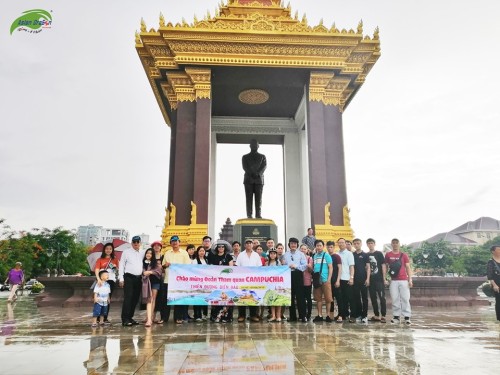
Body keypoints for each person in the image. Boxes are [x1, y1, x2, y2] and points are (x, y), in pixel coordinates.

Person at [162, 235, 191, 324]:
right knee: (165, 300)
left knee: (178, 300)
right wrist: (166, 265)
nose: (175, 243)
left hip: (179, 280)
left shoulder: (184, 253)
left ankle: (178, 318)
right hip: (168, 279)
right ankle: (164, 318)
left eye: (176, 241)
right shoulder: (167, 253)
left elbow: (187, 266)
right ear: (170, 243)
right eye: (173, 241)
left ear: (179, 242)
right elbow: (163, 265)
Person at [119, 235, 145, 326]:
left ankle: (130, 317)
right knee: (128, 298)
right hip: (129, 277)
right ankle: (125, 319)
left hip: (138, 278)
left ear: (140, 243)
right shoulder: (126, 252)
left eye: (138, 242)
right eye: (134, 242)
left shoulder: (143, 252)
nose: (136, 244)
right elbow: (121, 264)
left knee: (135, 299)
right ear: (132, 243)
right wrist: (121, 278)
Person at [385, 238, 413, 325]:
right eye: (393, 243)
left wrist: (410, 279)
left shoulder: (404, 255)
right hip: (393, 281)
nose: (395, 244)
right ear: (391, 244)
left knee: (405, 299)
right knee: (395, 299)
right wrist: (385, 278)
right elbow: (385, 267)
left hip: (403, 280)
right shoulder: (388, 255)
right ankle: (396, 317)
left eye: (396, 243)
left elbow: (408, 267)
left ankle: (407, 317)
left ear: (399, 244)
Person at [281, 237, 308, 323]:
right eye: (292, 243)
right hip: (288, 275)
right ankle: (292, 316)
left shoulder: (301, 254)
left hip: (298, 274)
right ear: (289, 245)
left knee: (300, 296)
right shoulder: (286, 254)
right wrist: (284, 265)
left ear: (297, 245)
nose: (293, 245)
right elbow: (282, 265)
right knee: (290, 296)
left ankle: (303, 316)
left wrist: (296, 266)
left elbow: (305, 266)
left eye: (295, 244)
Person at [236, 239, 262, 322]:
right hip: (242, 279)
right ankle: (241, 315)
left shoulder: (256, 255)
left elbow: (259, 267)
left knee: (253, 296)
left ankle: (253, 315)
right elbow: (237, 266)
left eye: (250, 243)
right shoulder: (241, 255)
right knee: (242, 297)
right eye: (247, 243)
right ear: (244, 245)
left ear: (252, 245)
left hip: (253, 279)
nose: (248, 245)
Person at [93, 243, 119, 324]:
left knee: (107, 299)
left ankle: (104, 318)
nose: (108, 250)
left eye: (110, 249)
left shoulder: (115, 259)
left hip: (110, 280)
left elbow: (117, 272)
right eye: (107, 248)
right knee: (98, 299)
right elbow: (97, 270)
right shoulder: (100, 259)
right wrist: (98, 279)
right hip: (101, 281)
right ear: (104, 250)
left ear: (112, 250)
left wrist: (114, 267)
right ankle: (97, 317)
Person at [208, 241, 234, 322]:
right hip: (216, 281)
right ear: (217, 248)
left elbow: (231, 269)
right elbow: (210, 268)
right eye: (219, 247)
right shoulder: (213, 256)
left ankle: (226, 317)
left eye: (222, 247)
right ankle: (215, 317)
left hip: (227, 281)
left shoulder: (228, 256)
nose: (221, 248)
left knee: (227, 297)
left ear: (225, 248)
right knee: (217, 297)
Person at [242, 139, 267, 218]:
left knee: (258, 199)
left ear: (258, 146)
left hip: (259, 180)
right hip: (248, 180)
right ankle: (249, 215)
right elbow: (245, 167)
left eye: (256, 145)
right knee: (248, 199)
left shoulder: (262, 156)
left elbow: (264, 166)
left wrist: (258, 173)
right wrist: (252, 173)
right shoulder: (245, 157)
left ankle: (258, 214)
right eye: (252, 145)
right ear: (250, 146)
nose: (254, 146)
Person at [312, 240, 333, 322]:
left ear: (323, 246)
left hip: (325, 279)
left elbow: (330, 267)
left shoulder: (326, 255)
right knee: (318, 299)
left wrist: (329, 279)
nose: (319, 247)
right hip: (317, 280)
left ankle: (328, 315)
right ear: (315, 247)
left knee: (328, 299)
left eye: (320, 245)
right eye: (317, 245)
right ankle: (320, 315)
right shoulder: (315, 256)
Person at [366, 238, 387, 323]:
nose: (370, 244)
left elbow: (383, 266)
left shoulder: (379, 254)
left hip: (379, 280)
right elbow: (366, 267)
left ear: (374, 244)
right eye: (369, 243)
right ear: (367, 245)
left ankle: (383, 315)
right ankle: (376, 315)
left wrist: (384, 278)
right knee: (373, 298)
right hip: (371, 280)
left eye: (371, 243)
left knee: (382, 298)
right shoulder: (366, 255)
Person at [141, 248, 162, 327]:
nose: (148, 254)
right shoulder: (142, 263)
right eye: (147, 253)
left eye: (150, 253)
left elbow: (159, 272)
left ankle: (150, 318)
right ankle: (149, 317)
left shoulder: (155, 263)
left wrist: (150, 272)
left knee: (152, 300)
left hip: (155, 282)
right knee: (149, 300)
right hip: (146, 283)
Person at [351, 238, 371, 323]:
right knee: (357, 298)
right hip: (355, 279)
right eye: (355, 244)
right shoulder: (352, 255)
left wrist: (368, 278)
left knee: (364, 298)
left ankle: (364, 315)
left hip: (363, 279)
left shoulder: (365, 255)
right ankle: (359, 314)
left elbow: (368, 267)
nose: (356, 245)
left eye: (358, 243)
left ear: (361, 244)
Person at [337, 238, 354, 323]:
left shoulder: (349, 254)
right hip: (339, 279)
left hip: (347, 278)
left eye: (342, 242)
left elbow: (351, 266)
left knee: (349, 298)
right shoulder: (337, 254)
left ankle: (352, 315)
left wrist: (351, 277)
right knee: (341, 298)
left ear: (345, 243)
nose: (341, 244)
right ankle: (343, 314)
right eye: (339, 243)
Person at [151, 240, 168, 324]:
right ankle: (150, 316)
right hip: (150, 279)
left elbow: (164, 269)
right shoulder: (150, 256)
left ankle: (154, 316)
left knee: (158, 299)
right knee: (150, 298)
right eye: (155, 246)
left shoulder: (163, 257)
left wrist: (163, 266)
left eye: (158, 246)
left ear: (161, 247)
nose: (157, 247)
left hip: (159, 279)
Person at [326, 241, 342, 322]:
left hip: (336, 280)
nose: (330, 248)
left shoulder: (337, 256)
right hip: (328, 281)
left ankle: (340, 315)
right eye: (328, 247)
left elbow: (340, 268)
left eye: (331, 247)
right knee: (330, 298)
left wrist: (338, 280)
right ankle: (331, 315)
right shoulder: (326, 256)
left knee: (339, 298)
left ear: (334, 247)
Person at [192, 246, 208, 322]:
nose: (202, 252)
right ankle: (197, 315)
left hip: (205, 283)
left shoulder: (206, 260)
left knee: (204, 299)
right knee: (197, 299)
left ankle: (204, 314)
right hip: (197, 282)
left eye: (203, 251)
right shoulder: (194, 261)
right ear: (197, 252)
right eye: (200, 251)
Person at [266, 249, 282, 322]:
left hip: (278, 283)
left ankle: (278, 316)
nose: (272, 255)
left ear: (276, 255)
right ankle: (273, 315)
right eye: (271, 253)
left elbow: (282, 272)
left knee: (278, 300)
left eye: (274, 254)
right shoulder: (267, 263)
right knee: (271, 300)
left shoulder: (278, 263)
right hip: (270, 284)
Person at [300, 244, 314, 321]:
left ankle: (309, 314)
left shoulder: (309, 259)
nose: (303, 250)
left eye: (304, 249)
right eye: (301, 249)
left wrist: (309, 266)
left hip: (307, 280)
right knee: (301, 299)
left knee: (308, 298)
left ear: (307, 250)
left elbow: (311, 270)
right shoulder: (297, 259)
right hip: (299, 281)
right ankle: (303, 314)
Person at [486, 245, 500, 321]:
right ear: (493, 251)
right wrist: (494, 285)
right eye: (498, 250)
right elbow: (490, 276)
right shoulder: (491, 262)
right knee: (499, 301)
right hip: (497, 284)